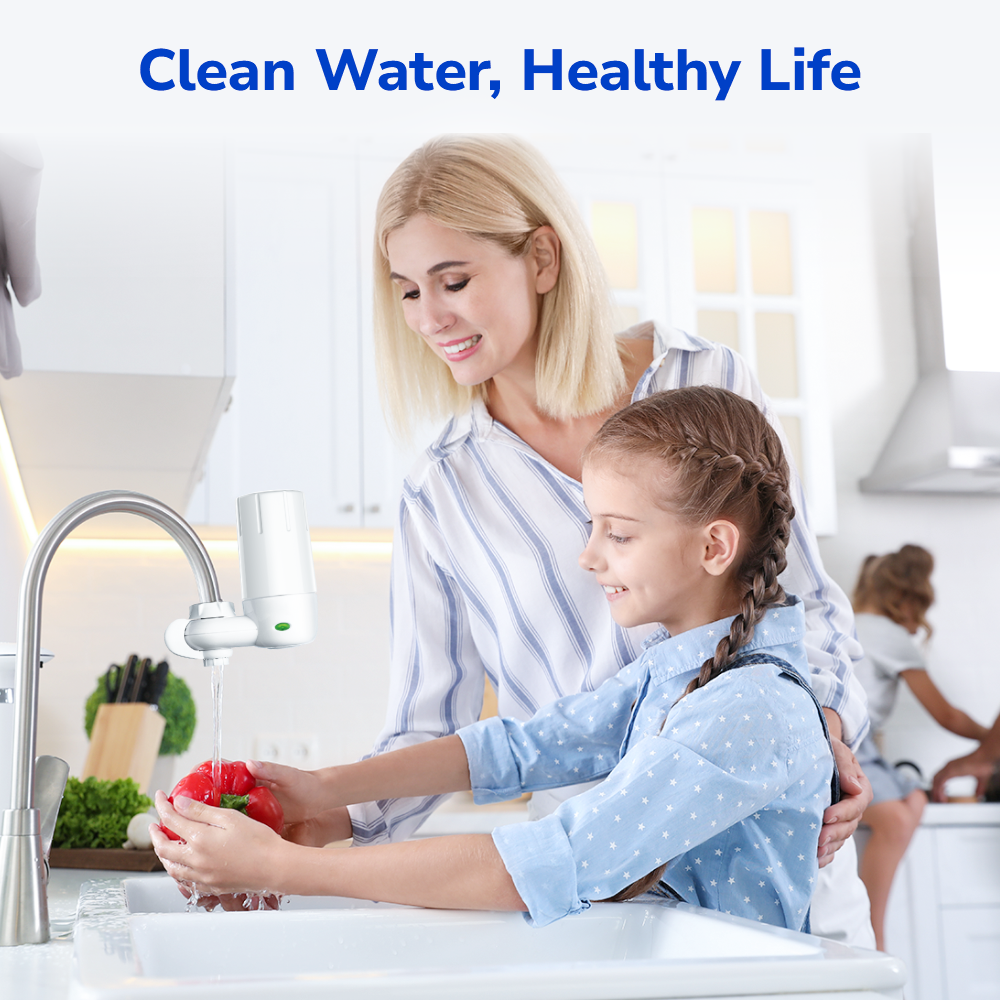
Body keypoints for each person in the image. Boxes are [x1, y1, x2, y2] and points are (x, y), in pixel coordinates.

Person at [280, 134, 871, 941]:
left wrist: (824, 731)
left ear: (543, 260)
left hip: (767, 865)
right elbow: (479, 736)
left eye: (453, 281)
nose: (430, 317)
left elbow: (801, 604)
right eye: (408, 291)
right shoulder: (442, 489)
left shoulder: (705, 384)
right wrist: (326, 812)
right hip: (597, 876)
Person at [153, 386, 835, 931]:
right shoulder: (674, 671)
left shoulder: (749, 705)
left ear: (714, 547)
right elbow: (517, 749)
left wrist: (284, 869)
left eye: (618, 534)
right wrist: (325, 788)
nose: (589, 555)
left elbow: (544, 864)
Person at [851, 544, 989, 950]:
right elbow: (946, 715)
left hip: (858, 745)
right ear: (909, 599)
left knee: (913, 799)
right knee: (896, 818)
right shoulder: (890, 635)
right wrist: (991, 741)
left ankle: (872, 937)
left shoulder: (853, 622)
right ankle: (872, 941)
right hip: (849, 745)